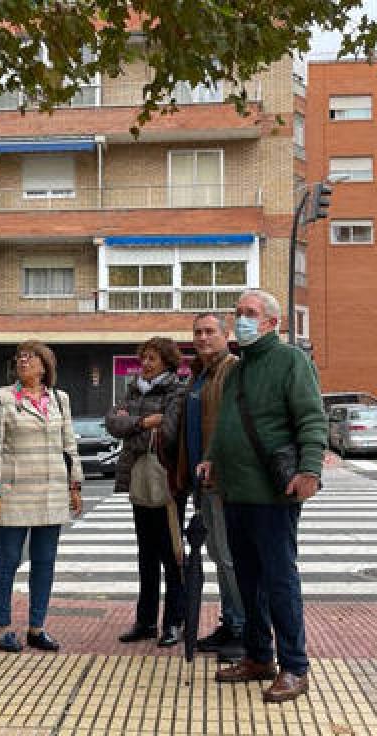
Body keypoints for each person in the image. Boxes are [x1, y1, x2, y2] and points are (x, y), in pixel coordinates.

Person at [200, 289, 327, 704]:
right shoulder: (238, 369)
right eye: (238, 312)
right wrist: (213, 458)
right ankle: (259, 657)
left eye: (250, 313)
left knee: (279, 580)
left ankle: (295, 666)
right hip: (235, 491)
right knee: (247, 581)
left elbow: (311, 417)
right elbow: (227, 422)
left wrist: (310, 469)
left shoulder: (290, 360)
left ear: (272, 322)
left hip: (273, 493)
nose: (241, 319)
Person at [0, 340, 83, 653]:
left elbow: (69, 445)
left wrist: (75, 485)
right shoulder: (2, 397)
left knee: (44, 562)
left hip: (52, 493)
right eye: (20, 357)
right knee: (7, 561)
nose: (23, 361)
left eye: (30, 356)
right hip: (14, 492)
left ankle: (37, 627)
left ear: (45, 365)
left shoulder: (60, 399)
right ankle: (2, 627)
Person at [106, 336, 186, 648]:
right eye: (144, 358)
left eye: (153, 358)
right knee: (146, 554)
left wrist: (131, 427)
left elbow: (169, 432)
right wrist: (143, 423)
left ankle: (174, 621)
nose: (146, 364)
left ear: (167, 361)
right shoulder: (133, 389)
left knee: (172, 554)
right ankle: (146, 621)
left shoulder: (177, 391)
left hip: (166, 481)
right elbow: (112, 423)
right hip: (140, 479)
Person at [174, 312, 244, 662]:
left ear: (226, 335)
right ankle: (230, 623)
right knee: (218, 555)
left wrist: (220, 463)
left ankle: (244, 631)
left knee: (231, 557)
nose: (202, 338)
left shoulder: (233, 370)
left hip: (224, 480)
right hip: (202, 480)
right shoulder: (200, 375)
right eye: (197, 332)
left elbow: (236, 423)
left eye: (209, 331)